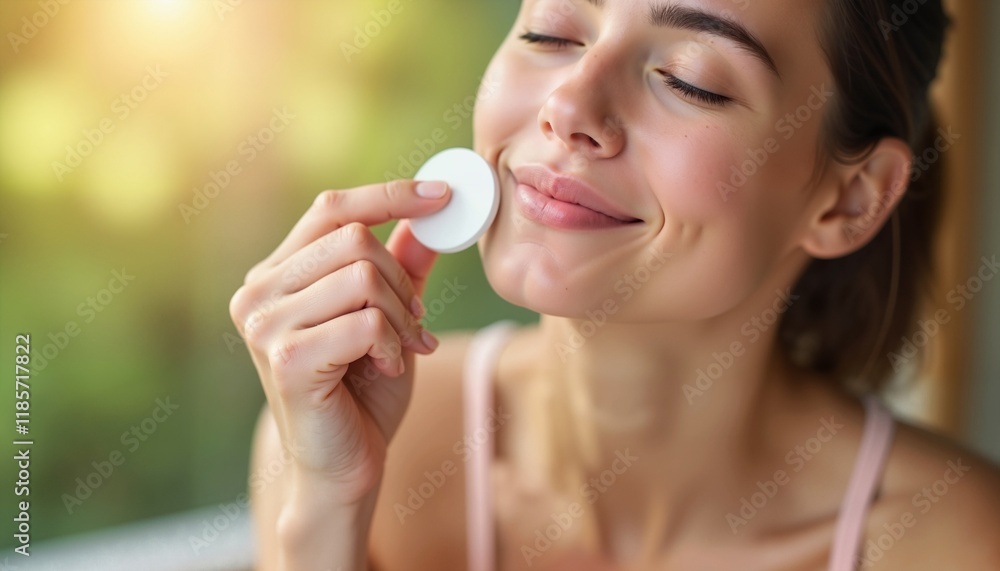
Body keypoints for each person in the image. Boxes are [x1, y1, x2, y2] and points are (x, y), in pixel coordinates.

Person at [228, 0, 1000, 569]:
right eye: (551, 33)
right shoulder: (362, 442)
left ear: (851, 197)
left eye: (689, 80)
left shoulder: (953, 542)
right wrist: (326, 516)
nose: (568, 107)